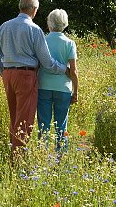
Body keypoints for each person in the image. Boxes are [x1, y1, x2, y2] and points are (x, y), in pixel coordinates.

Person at [0, 0, 69, 160]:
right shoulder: (34, 29)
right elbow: (47, 62)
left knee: (14, 117)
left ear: (20, 7)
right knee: (24, 119)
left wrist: (4, 73)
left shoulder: (4, 27)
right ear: (34, 10)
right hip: (26, 75)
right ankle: (17, 161)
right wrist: (64, 69)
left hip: (8, 74)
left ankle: (14, 154)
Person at [37, 9, 78, 153]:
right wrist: (75, 91)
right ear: (65, 24)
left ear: (49, 23)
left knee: (44, 123)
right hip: (63, 88)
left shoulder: (42, 40)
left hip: (43, 86)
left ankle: (42, 153)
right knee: (61, 124)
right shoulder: (70, 43)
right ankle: (61, 154)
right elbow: (73, 71)